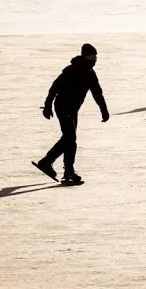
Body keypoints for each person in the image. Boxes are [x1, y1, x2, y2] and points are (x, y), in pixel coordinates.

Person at [32, 44, 110, 185]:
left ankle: (63, 169)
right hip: (63, 107)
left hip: (72, 109)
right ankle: (54, 165)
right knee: (69, 138)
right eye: (93, 56)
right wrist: (48, 105)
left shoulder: (90, 73)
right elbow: (54, 87)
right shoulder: (72, 70)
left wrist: (103, 109)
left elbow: (97, 93)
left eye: (96, 56)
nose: (95, 59)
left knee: (70, 140)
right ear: (86, 56)